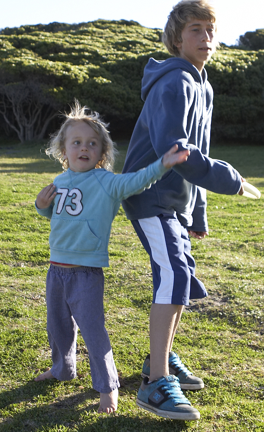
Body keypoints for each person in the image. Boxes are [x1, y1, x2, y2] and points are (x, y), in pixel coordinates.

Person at [121, 0, 247, 421]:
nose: (206, 37)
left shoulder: (202, 84)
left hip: (176, 201)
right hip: (149, 194)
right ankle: (155, 383)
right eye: (196, 29)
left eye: (211, 30)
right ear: (176, 38)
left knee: (181, 276)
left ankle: (159, 359)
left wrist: (198, 212)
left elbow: (200, 149)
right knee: (174, 276)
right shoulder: (174, 82)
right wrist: (229, 179)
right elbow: (175, 150)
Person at [33, 101, 190, 414]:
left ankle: (108, 388)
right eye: (77, 142)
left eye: (92, 144)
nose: (84, 148)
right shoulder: (60, 181)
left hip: (85, 273)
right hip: (56, 270)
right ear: (63, 150)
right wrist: (41, 206)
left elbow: (137, 180)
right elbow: (58, 216)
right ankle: (62, 369)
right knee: (58, 327)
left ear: (102, 152)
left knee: (93, 333)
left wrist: (163, 164)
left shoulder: (106, 183)